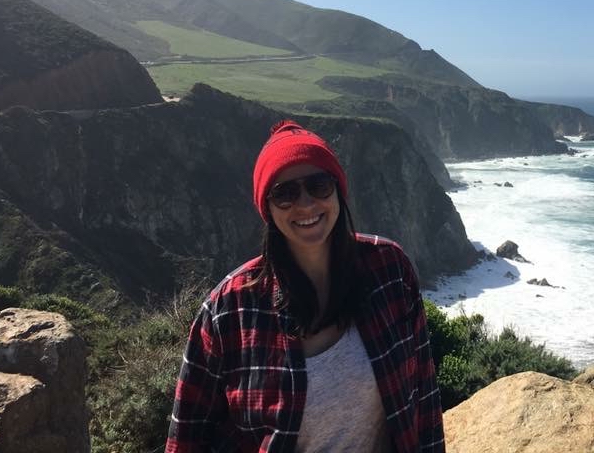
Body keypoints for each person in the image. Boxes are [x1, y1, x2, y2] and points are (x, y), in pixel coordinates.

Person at [165, 120, 445, 452]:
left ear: (338, 190)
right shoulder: (230, 309)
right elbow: (187, 436)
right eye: (284, 193)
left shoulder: (389, 270)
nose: (306, 203)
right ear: (266, 207)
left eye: (319, 184)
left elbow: (424, 398)